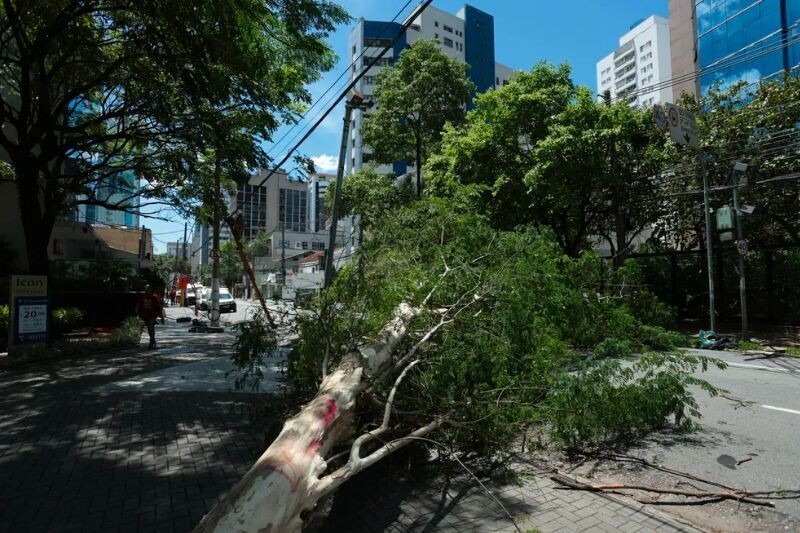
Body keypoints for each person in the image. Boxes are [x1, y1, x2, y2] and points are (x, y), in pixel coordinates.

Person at [136, 284, 165, 349]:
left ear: (150, 290)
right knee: (149, 329)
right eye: (146, 289)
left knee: (151, 327)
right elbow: (138, 305)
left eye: (148, 289)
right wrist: (137, 313)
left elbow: (159, 307)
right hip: (145, 316)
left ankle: (152, 341)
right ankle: (152, 340)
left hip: (152, 316)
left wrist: (162, 317)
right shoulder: (142, 297)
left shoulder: (154, 298)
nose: (147, 291)